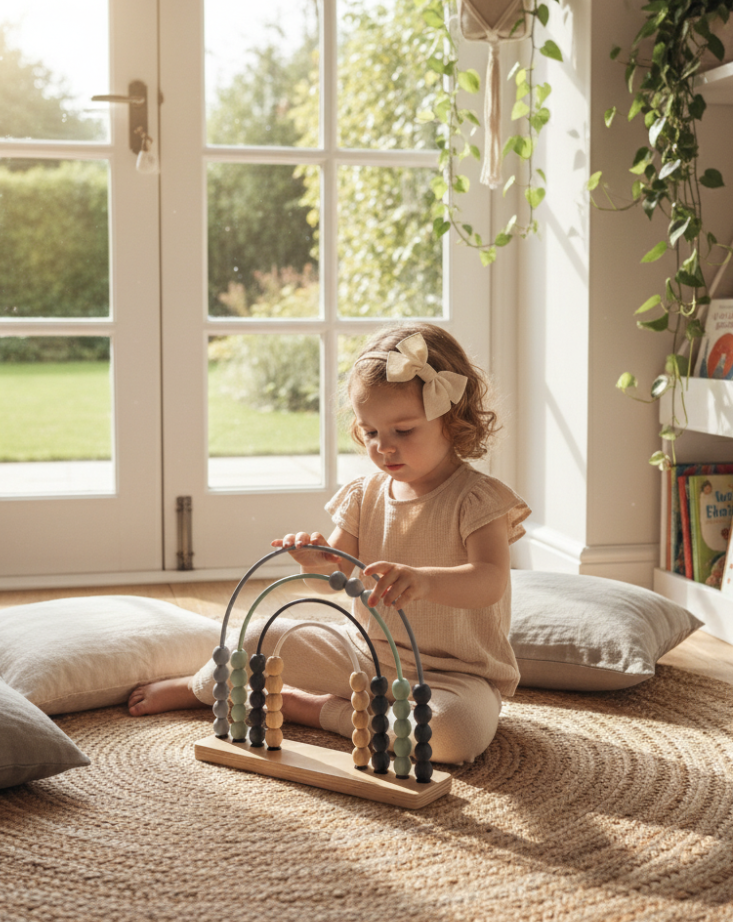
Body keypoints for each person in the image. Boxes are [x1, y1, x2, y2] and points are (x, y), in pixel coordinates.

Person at [128, 322, 530, 765]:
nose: (384, 448)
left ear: (451, 422)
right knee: (255, 637)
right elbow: (330, 581)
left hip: (458, 678)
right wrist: (313, 561)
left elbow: (490, 581)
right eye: (371, 432)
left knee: (451, 736)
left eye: (404, 431)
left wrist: (424, 581)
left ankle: (320, 710)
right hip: (365, 655)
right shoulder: (365, 494)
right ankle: (197, 687)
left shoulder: (477, 499)